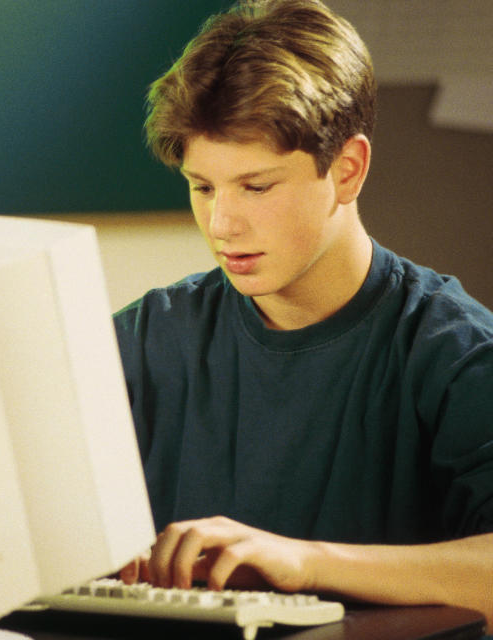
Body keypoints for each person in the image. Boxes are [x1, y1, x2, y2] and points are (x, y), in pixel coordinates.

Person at [113, 0, 493, 625]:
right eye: (202, 186)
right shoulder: (145, 337)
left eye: (256, 187)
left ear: (347, 171)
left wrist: (306, 562)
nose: (221, 224)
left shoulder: (453, 352)